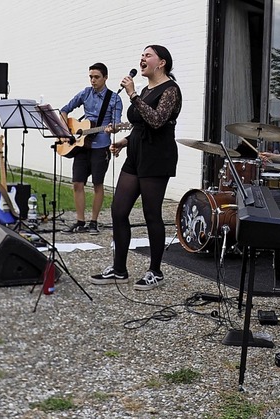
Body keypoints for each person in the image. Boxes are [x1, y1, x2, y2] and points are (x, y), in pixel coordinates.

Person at [91, 45, 182, 291]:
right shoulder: (145, 89)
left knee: (151, 214)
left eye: (148, 55)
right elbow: (140, 125)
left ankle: (155, 271)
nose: (142, 58)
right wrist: (124, 141)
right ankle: (119, 269)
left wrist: (132, 95)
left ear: (161, 63)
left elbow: (157, 120)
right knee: (118, 211)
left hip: (157, 157)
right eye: (141, 55)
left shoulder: (170, 89)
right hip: (136, 154)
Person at [60, 63, 123, 235]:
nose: (93, 80)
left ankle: (94, 222)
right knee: (77, 183)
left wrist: (114, 128)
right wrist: (67, 131)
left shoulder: (115, 99)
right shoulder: (85, 93)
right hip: (81, 145)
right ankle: (80, 221)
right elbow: (64, 110)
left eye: (96, 77)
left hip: (101, 146)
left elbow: (117, 124)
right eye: (91, 77)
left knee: (97, 184)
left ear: (105, 78)